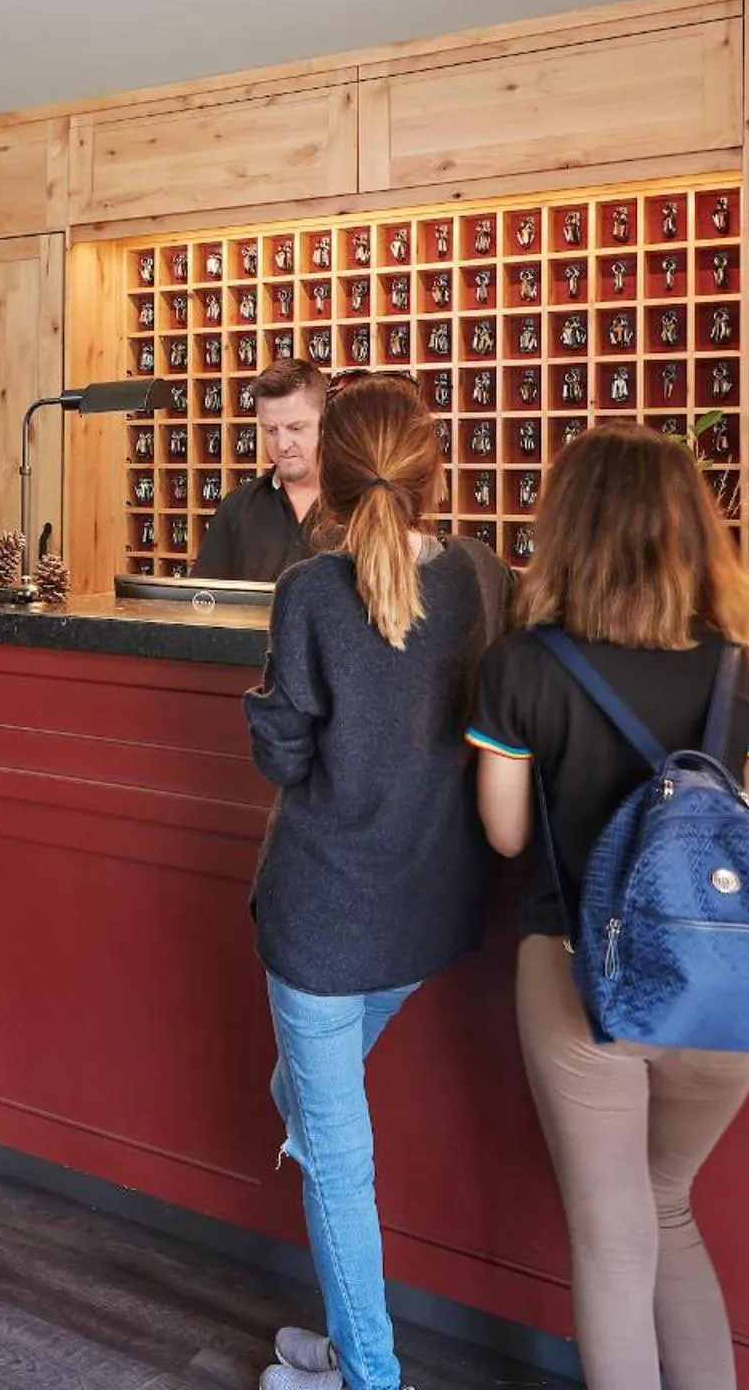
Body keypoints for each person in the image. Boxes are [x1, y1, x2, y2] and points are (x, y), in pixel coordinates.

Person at [464, 424, 749, 1390]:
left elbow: (502, 833)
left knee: (615, 1243)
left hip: (585, 978)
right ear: (693, 528)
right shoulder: (745, 663)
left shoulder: (523, 665)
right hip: (724, 991)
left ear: (565, 526)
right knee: (669, 1209)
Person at [243, 374, 514, 1390]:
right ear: (430, 470)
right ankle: (349, 1335)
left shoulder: (310, 591)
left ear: (335, 472)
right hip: (435, 906)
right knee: (316, 1112)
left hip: (323, 918)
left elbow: (283, 756)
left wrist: (261, 706)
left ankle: (368, 1374)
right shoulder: (482, 577)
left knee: (336, 1157)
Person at [192, 357, 326, 581]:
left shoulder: (361, 505)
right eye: (271, 430)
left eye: (296, 428)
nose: (283, 445)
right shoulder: (236, 509)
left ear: (324, 424)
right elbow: (204, 601)